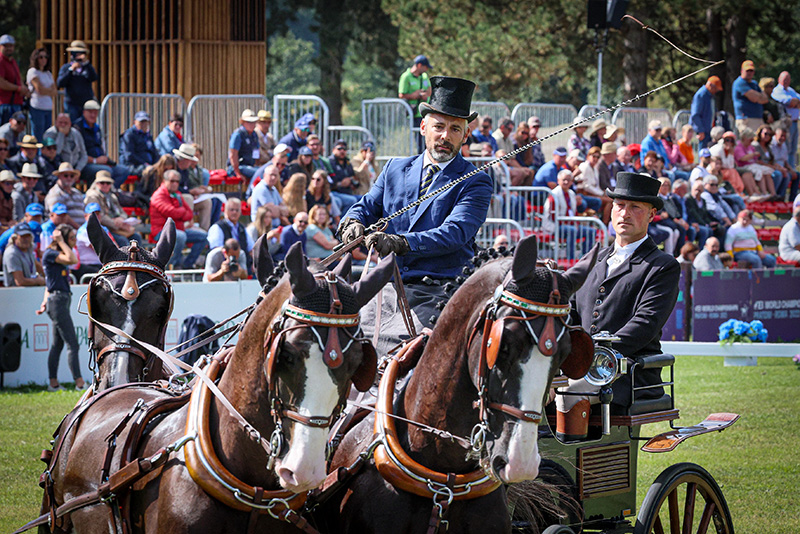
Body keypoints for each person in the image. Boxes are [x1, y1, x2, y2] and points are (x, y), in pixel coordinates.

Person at [339, 75, 492, 353]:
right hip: (384, 287)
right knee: (342, 344)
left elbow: (455, 233)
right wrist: (352, 222)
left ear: (466, 135)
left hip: (439, 290)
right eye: (439, 127)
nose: (445, 136)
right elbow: (366, 205)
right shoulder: (394, 168)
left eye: (455, 129)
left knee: (411, 358)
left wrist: (402, 243)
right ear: (423, 127)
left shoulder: (475, 180)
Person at [555, 172, 680, 441]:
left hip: (627, 373)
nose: (625, 213)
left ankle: (562, 467)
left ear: (651, 215)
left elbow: (645, 324)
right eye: (619, 205)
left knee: (567, 396)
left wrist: (590, 356)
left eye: (635, 207)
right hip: (579, 366)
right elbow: (571, 314)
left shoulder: (662, 266)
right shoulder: (593, 259)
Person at [35, 224, 87, 391]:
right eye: (71, 237)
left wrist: (44, 302)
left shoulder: (56, 255)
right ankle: (79, 383)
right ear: (62, 239)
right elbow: (73, 260)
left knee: (57, 344)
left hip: (58, 300)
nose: (74, 240)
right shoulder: (51, 254)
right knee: (73, 343)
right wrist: (61, 242)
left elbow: (48, 285)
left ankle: (53, 383)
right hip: (57, 302)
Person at [150, 169, 207, 269]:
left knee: (203, 236)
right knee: (180, 237)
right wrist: (182, 212)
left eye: (177, 181)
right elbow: (171, 213)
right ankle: (171, 265)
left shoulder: (178, 194)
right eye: (172, 181)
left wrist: (180, 212)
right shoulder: (158, 195)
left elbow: (189, 214)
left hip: (179, 230)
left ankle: (187, 265)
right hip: (161, 232)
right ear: (164, 181)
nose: (175, 184)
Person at [542, 169, 597, 260]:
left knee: (591, 231)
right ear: (558, 181)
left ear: (572, 182)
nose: (566, 182)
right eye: (564, 180)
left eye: (568, 180)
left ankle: (585, 257)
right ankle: (570, 258)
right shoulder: (554, 194)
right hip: (555, 226)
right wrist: (567, 223)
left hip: (570, 225)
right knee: (571, 230)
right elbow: (552, 216)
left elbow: (574, 211)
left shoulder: (571, 193)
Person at [72, 100, 129, 187]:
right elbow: (76, 154)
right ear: (84, 112)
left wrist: (104, 160)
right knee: (106, 171)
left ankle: (109, 192)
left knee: (124, 171)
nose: (93, 115)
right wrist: (95, 160)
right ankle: (97, 193)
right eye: (90, 112)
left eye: (95, 112)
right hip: (84, 165)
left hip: (100, 163)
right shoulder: (77, 128)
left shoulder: (97, 128)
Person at [84, 170, 140, 247]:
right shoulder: (92, 196)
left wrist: (121, 219)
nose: (105, 185)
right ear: (96, 183)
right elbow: (97, 216)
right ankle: (124, 259)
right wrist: (116, 224)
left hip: (116, 227)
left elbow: (122, 212)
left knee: (136, 237)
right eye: (102, 182)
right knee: (122, 241)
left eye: (108, 183)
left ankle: (139, 258)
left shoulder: (112, 196)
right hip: (103, 229)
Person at [173, 143, 218, 231]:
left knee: (206, 202)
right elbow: (173, 188)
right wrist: (190, 192)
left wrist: (195, 192)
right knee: (188, 198)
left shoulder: (185, 170)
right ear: (184, 160)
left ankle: (204, 231)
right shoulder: (173, 167)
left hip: (184, 196)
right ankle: (188, 226)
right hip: (174, 198)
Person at [207, 197, 253, 274]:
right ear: (225, 211)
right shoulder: (217, 227)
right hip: (222, 269)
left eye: (237, 210)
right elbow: (216, 250)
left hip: (242, 268)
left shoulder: (242, 229)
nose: (234, 212)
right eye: (231, 210)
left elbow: (251, 249)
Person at [56, 40, 97, 122]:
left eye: (81, 53)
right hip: (72, 104)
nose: (78, 56)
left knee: (86, 126)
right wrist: (71, 70)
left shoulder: (87, 67)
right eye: (75, 53)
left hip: (86, 104)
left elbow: (94, 77)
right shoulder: (66, 67)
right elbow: (60, 83)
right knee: (74, 126)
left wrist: (86, 64)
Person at [398, 54, 432, 148]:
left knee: (428, 140)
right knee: (420, 142)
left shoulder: (424, 76)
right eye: (425, 67)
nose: (426, 70)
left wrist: (424, 95)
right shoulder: (406, 76)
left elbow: (430, 90)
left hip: (426, 113)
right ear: (419, 65)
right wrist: (414, 95)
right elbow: (401, 94)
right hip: (415, 114)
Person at [26, 47, 57, 140]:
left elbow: (55, 91)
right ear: (36, 58)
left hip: (48, 107)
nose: (44, 59)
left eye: (45, 57)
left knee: (47, 135)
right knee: (38, 134)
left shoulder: (48, 73)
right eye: (41, 57)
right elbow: (40, 90)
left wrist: (46, 90)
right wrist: (49, 91)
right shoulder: (33, 71)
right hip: (37, 106)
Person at [2, 222, 45, 286]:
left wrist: (49, 277)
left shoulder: (28, 249)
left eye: (28, 236)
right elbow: (20, 281)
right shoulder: (12, 253)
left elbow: (37, 265)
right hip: (15, 292)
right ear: (15, 238)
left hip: (29, 291)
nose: (26, 239)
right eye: (22, 237)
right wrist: (38, 281)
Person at [772, 71, 800, 168]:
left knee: (793, 149)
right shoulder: (777, 90)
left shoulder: (791, 90)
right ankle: (787, 169)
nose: (786, 81)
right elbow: (790, 102)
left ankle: (792, 169)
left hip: (795, 122)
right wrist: (794, 102)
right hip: (786, 124)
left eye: (788, 79)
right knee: (787, 148)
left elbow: (796, 101)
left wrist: (795, 102)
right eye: (784, 79)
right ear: (779, 79)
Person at [44, 162, 85, 228]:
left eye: (72, 176)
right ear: (59, 176)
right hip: (65, 231)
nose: (69, 178)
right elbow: (59, 218)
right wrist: (80, 229)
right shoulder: (55, 193)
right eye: (66, 175)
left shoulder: (77, 193)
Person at [73, 203, 108, 279]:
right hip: (86, 265)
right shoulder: (84, 231)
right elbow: (98, 248)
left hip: (99, 265)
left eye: (97, 214)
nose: (96, 217)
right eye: (93, 214)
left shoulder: (103, 229)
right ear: (85, 216)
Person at [0, 35, 29, 125]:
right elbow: (1, 83)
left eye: (11, 46)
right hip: (5, 104)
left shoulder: (13, 61)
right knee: (4, 134)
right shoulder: (1, 60)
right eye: (5, 46)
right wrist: (19, 89)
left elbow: (18, 79)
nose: (9, 48)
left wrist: (24, 89)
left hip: (15, 104)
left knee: (15, 135)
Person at [732, 60, 767, 135]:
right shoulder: (739, 82)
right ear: (742, 71)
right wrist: (759, 96)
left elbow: (765, 99)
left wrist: (758, 96)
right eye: (747, 70)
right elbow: (754, 98)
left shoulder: (754, 83)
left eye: (751, 71)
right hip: (745, 120)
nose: (749, 73)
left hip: (757, 119)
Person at [119, 111, 159, 176]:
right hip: (133, 166)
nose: (143, 124)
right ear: (135, 122)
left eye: (145, 122)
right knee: (150, 172)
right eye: (141, 122)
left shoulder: (148, 136)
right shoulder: (129, 135)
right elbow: (129, 155)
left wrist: (157, 164)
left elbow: (154, 152)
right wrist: (145, 164)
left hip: (148, 165)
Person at [250, 164, 289, 230]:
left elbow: (286, 210)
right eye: (271, 175)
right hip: (262, 228)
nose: (273, 177)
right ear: (264, 175)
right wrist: (280, 210)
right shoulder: (261, 189)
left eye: (275, 175)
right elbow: (273, 213)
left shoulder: (274, 189)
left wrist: (277, 209)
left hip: (275, 227)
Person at [328, 139, 361, 214]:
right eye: (339, 149)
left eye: (344, 149)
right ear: (333, 150)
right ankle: (343, 223)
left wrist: (352, 181)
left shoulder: (347, 163)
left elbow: (354, 178)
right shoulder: (329, 162)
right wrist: (340, 184)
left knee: (363, 199)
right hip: (334, 192)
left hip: (347, 192)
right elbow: (328, 182)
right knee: (351, 200)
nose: (342, 151)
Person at [690, 76, 723, 150]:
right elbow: (695, 114)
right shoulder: (701, 95)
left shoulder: (710, 96)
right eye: (715, 89)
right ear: (710, 85)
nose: (716, 91)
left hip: (709, 130)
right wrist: (700, 130)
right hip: (703, 131)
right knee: (703, 153)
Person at [772, 128, 799, 201]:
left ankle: (792, 200)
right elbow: (771, 161)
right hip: (773, 168)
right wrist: (782, 169)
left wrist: (791, 170)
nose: (783, 138)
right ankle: (778, 197)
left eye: (784, 136)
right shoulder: (771, 144)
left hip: (783, 167)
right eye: (781, 136)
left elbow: (785, 161)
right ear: (776, 135)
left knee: (797, 175)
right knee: (783, 175)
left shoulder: (783, 145)